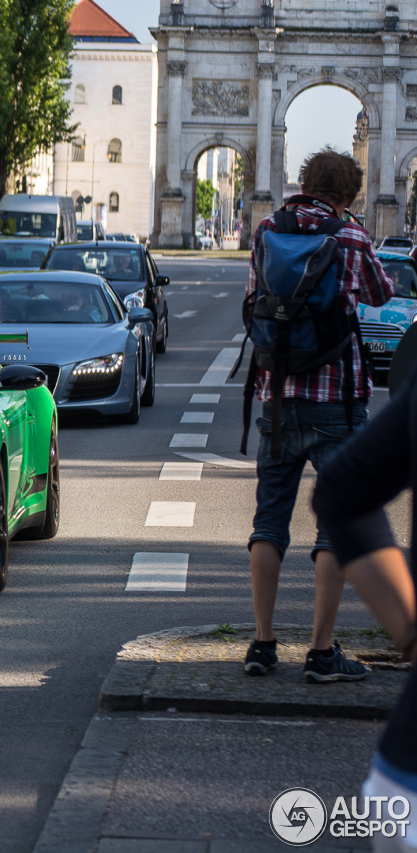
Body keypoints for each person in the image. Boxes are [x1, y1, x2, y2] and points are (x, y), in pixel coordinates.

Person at [242, 148, 394, 682]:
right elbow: (382, 292)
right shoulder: (350, 237)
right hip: (338, 400)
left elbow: (254, 297)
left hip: (277, 398)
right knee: (334, 527)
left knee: (268, 522)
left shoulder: (266, 229)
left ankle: (261, 645)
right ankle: (321, 652)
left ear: (304, 182)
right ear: (349, 195)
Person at [312, 379, 417, 849]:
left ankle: (278, 642)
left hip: (404, 779)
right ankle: (319, 649)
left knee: (269, 516)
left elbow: (342, 492)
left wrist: (410, 635)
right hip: (330, 406)